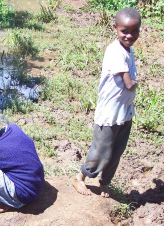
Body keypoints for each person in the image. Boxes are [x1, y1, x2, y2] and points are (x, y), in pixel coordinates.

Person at [72, 8, 141, 198]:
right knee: (101, 150)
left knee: (117, 151)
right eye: (124, 31)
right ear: (115, 29)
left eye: (134, 31)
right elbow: (128, 84)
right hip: (110, 112)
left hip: (124, 111)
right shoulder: (115, 52)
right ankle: (80, 177)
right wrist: (136, 84)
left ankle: (105, 183)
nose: (129, 35)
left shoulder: (128, 50)